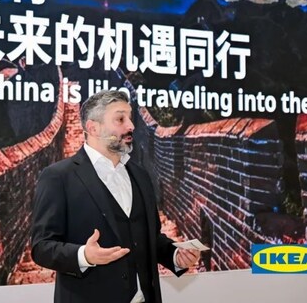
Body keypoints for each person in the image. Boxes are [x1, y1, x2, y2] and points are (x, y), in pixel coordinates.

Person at [31, 90, 200, 303]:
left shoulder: (140, 175)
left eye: (130, 118)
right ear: (93, 127)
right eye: (120, 119)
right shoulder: (58, 177)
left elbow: (150, 237)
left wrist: (175, 256)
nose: (131, 126)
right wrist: (84, 255)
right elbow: (42, 247)